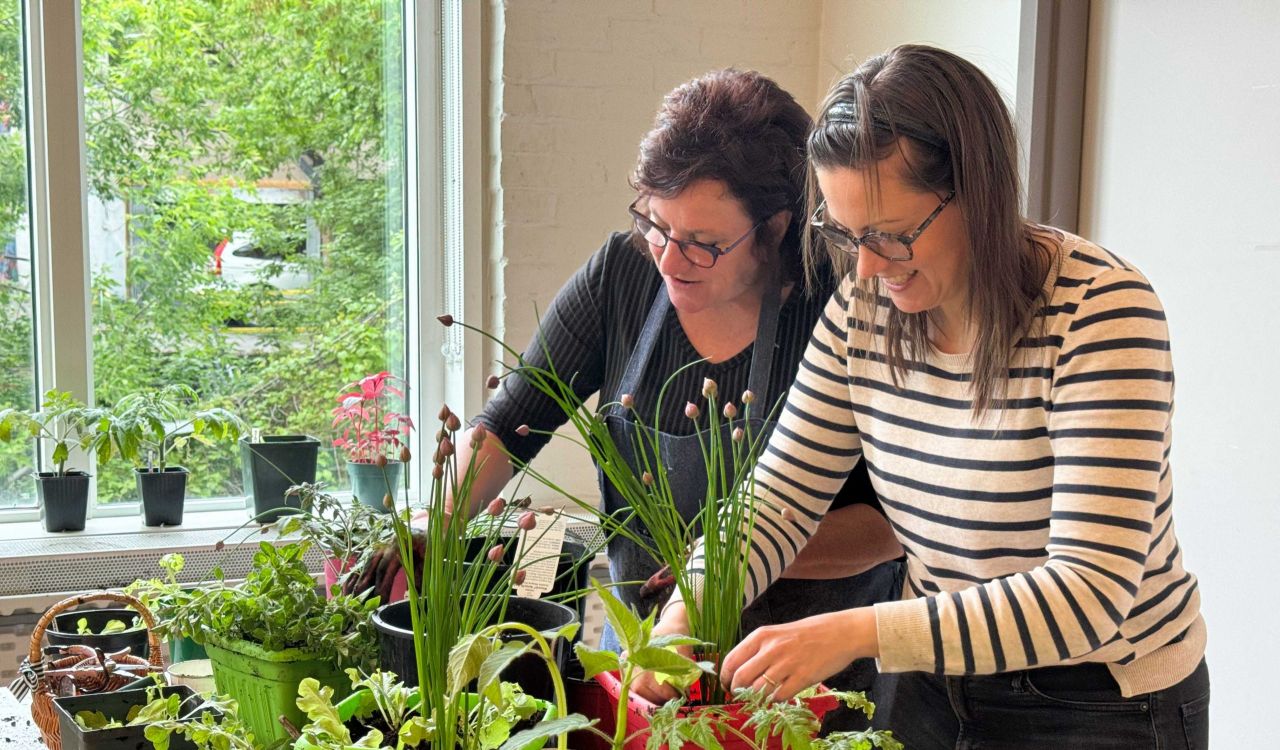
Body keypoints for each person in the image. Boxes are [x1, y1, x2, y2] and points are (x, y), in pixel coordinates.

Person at [640, 45, 1209, 749]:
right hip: (935, 686)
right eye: (847, 235)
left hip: (1099, 700)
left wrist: (855, 632)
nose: (870, 267)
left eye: (892, 234)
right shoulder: (864, 307)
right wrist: (690, 608)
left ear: (978, 192)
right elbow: (779, 497)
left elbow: (1089, 592)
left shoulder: (1100, 311)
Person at [353, 69, 904, 710]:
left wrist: (727, 563)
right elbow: (511, 424)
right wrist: (437, 525)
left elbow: (886, 527)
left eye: (702, 244)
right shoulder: (623, 276)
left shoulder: (839, 309)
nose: (668, 259)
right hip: (648, 663)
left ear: (776, 229)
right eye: (657, 224)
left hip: (809, 675)